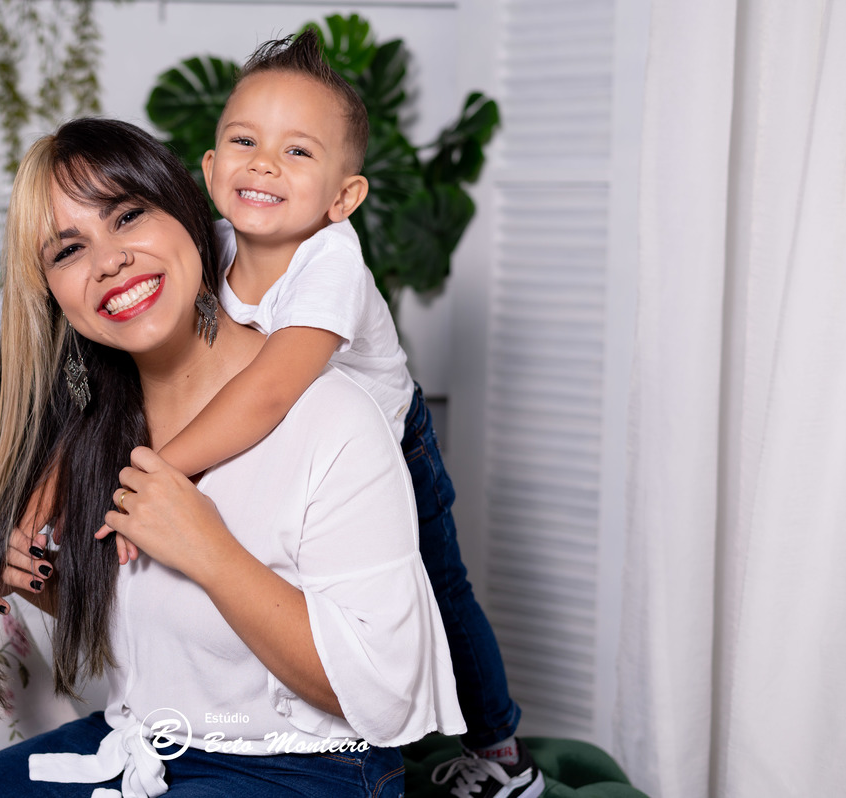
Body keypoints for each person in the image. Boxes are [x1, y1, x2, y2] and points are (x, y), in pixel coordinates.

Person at [0, 117, 464, 798]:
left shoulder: (331, 417)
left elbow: (383, 694)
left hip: (307, 770)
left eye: (127, 215)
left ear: (185, 206)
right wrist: (37, 579)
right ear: (53, 295)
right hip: (141, 745)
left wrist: (209, 548)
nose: (108, 260)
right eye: (68, 250)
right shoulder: (96, 439)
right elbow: (160, 622)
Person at [158, 31, 542, 798]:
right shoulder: (213, 246)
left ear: (343, 197)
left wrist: (162, 468)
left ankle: (500, 748)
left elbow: (270, 389)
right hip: (298, 461)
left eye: (298, 153)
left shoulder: (329, 259)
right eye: (244, 140)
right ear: (209, 169)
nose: (264, 162)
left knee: (440, 584)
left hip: (391, 447)